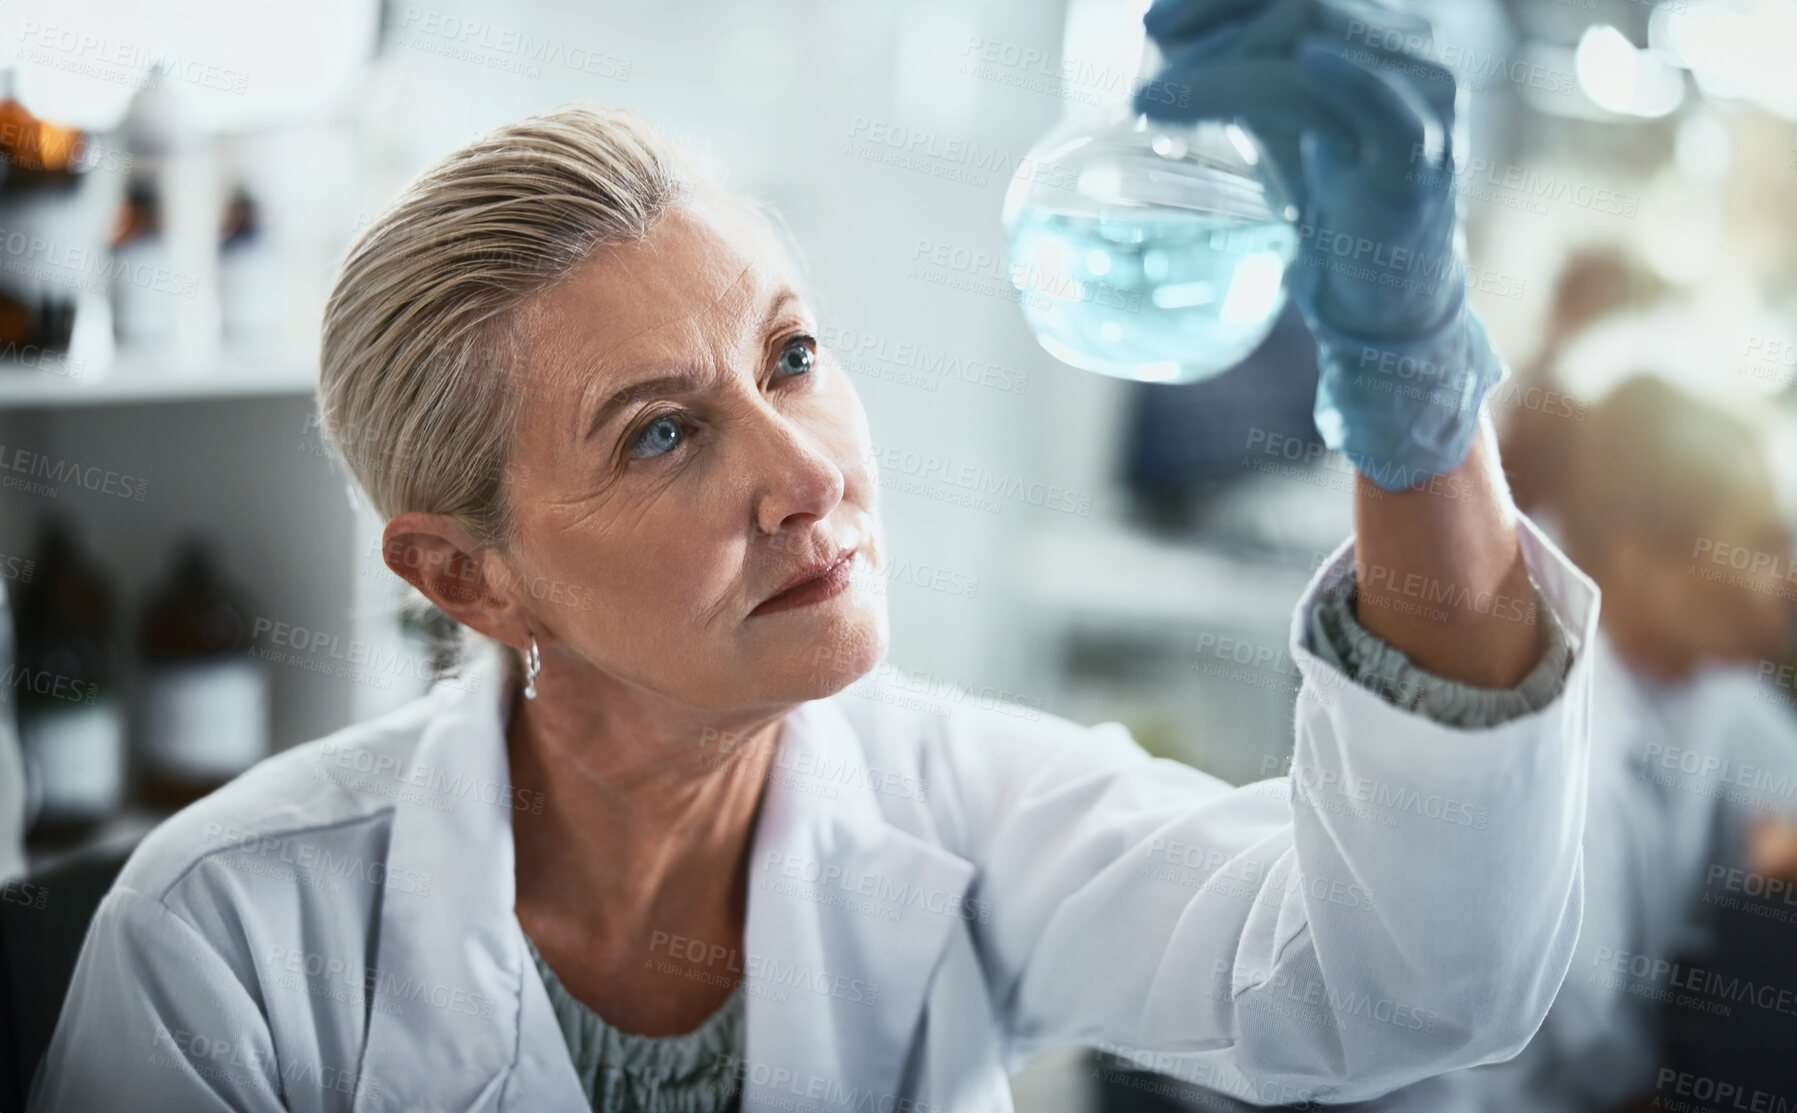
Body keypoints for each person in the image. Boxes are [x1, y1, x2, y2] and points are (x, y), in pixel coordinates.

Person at [28, 4, 1601, 1111]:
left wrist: (1412, 395)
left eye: (790, 356)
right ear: (466, 577)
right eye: (659, 432)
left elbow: (1414, 981)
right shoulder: (223, 943)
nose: (806, 473)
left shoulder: (971, 815)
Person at [1349, 374, 1797, 1112]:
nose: (1785, 576)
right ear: (1640, 561)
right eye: (1758, 543)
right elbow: (1591, 1053)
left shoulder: (1702, 681)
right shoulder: (1550, 744)